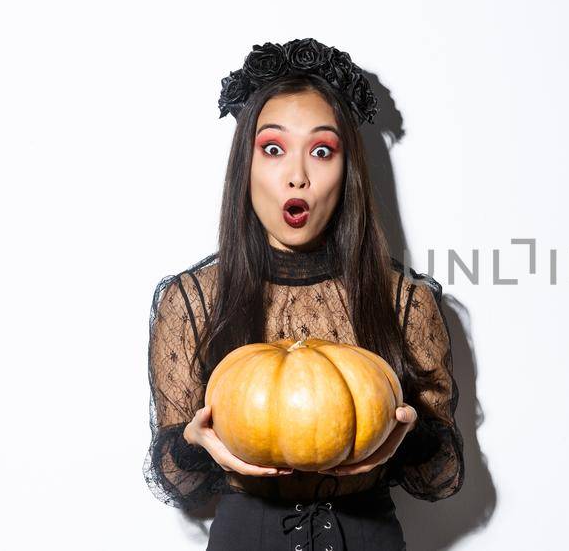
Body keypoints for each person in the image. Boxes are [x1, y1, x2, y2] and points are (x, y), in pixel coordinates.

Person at [144, 38, 464, 551]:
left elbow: (439, 477)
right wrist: (193, 441)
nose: (297, 175)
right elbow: (177, 480)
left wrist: (409, 432)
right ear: (244, 167)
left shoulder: (406, 301)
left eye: (321, 150)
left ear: (348, 170)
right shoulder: (191, 301)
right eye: (273, 149)